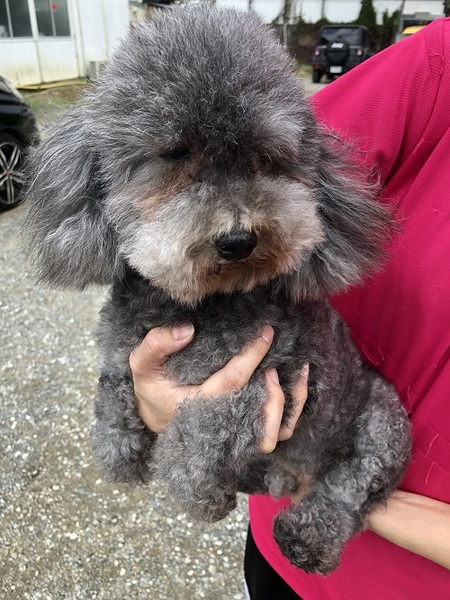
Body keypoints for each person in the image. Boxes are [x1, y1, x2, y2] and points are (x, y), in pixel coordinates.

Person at [129, 18, 450, 600]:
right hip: (279, 553)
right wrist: (144, 397)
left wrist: (353, 500)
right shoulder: (438, 67)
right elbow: (273, 142)